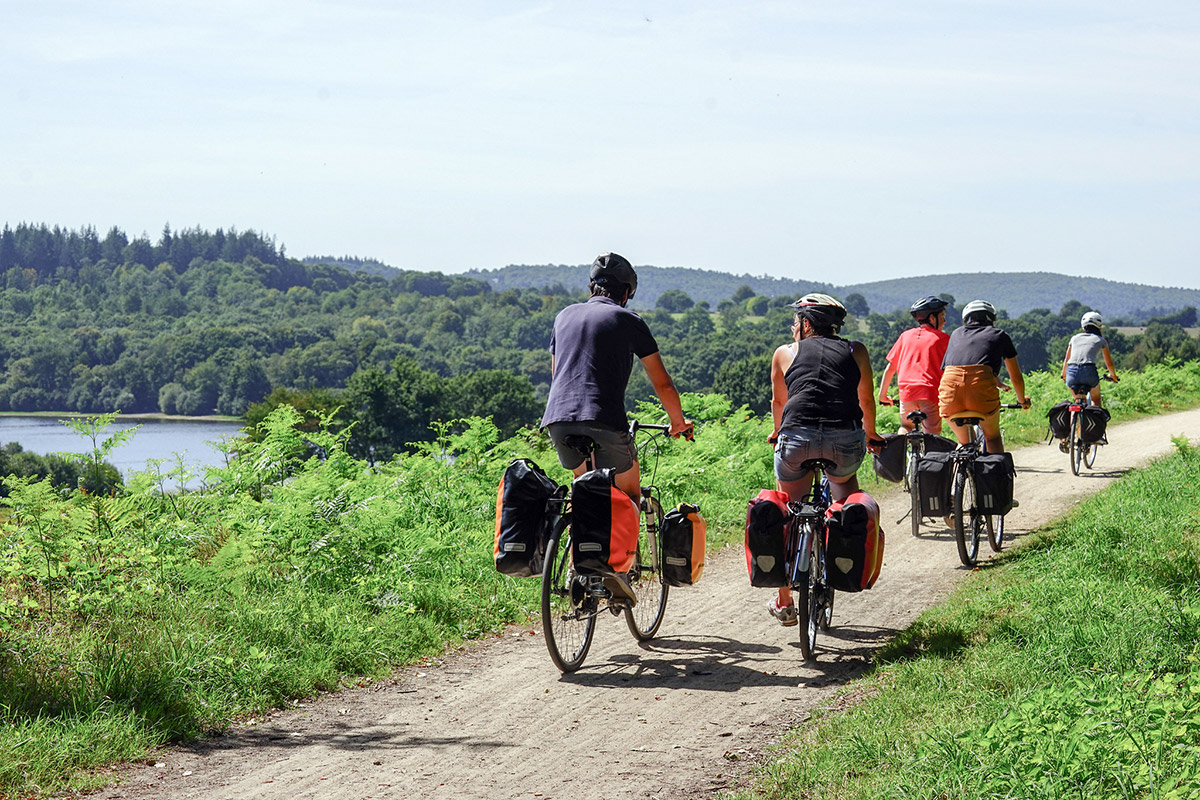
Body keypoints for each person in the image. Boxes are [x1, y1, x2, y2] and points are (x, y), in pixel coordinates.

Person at [766, 293, 883, 626]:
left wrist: (778, 434)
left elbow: (779, 401)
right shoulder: (855, 350)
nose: (792, 328)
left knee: (787, 507)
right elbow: (866, 400)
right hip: (843, 443)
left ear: (806, 324)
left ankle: (785, 599)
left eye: (795, 323)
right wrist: (871, 434)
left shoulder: (784, 353)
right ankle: (841, 560)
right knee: (845, 499)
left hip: (796, 442)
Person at [541, 252, 693, 504]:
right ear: (625, 294)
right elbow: (663, 384)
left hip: (558, 420)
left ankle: (574, 538)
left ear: (592, 288)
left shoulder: (563, 316)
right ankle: (626, 543)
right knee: (628, 496)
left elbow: (557, 375)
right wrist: (677, 422)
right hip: (603, 420)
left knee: (582, 494)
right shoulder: (628, 320)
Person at [937, 300, 1031, 454]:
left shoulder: (956, 334)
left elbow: (961, 369)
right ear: (991, 318)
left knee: (964, 442)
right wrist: (1021, 401)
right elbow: (1015, 377)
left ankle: (956, 476)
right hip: (981, 395)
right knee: (992, 437)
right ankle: (996, 476)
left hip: (950, 393)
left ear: (966, 318)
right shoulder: (999, 335)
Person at [877, 295, 951, 435]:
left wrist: (883, 396)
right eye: (942, 317)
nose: (945, 321)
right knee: (932, 435)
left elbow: (890, 368)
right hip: (929, 393)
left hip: (907, 393)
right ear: (932, 318)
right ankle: (930, 455)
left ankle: (901, 453)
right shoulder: (943, 339)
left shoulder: (905, 336)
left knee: (906, 426)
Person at [1061, 311, 1119, 408]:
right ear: (1099, 326)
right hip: (1089, 371)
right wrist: (1113, 376)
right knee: (1095, 398)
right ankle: (1096, 422)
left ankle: (1074, 423)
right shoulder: (1100, 340)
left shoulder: (1074, 338)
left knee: (1076, 402)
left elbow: (1067, 360)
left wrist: (1064, 375)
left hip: (1071, 372)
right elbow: (1109, 363)